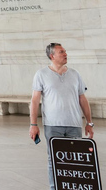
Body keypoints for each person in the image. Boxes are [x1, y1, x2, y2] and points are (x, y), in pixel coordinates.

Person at [29, 43, 94, 190]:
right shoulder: (41, 74)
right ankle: (55, 187)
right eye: (61, 52)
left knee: (75, 160)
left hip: (74, 125)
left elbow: (82, 99)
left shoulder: (75, 74)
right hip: (53, 125)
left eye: (65, 51)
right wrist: (33, 125)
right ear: (52, 56)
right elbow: (34, 101)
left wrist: (89, 123)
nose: (65, 54)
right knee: (54, 160)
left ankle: (74, 187)